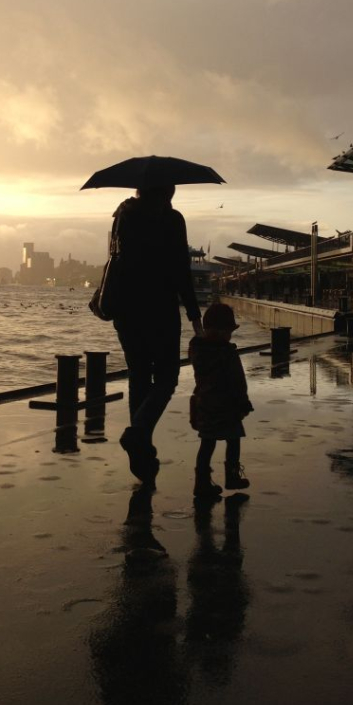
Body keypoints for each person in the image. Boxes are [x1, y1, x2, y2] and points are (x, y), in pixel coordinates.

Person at [113, 184, 203, 486]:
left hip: (126, 309)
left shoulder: (121, 215)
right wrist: (193, 313)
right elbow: (181, 270)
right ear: (167, 193)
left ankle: (141, 455)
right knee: (167, 377)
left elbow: (116, 260)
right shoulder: (172, 220)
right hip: (161, 308)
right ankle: (138, 434)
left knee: (138, 374)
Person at [188, 302, 253, 497]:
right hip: (228, 406)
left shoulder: (198, 350)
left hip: (204, 405)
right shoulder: (227, 353)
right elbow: (238, 381)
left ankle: (201, 482)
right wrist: (244, 403)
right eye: (228, 331)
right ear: (223, 330)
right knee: (233, 440)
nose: (230, 335)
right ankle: (232, 476)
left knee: (207, 444)